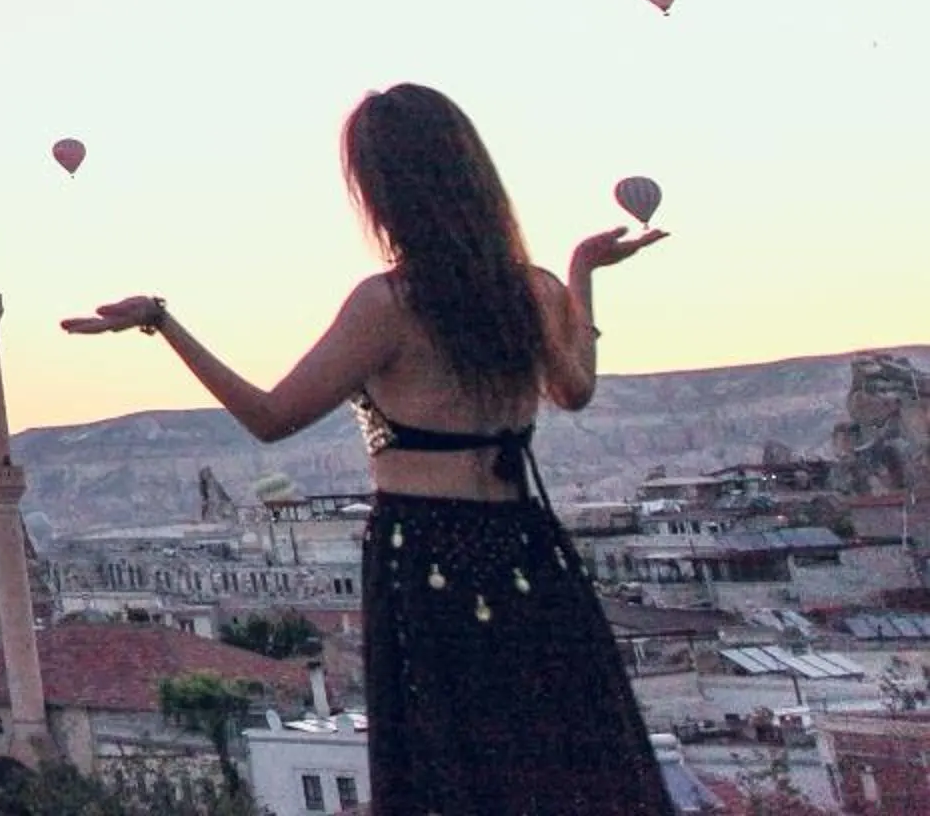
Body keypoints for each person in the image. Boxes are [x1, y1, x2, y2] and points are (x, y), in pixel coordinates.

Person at [63, 83, 672, 815]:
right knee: (557, 749)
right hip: (526, 550)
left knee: (450, 761)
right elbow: (574, 389)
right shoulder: (534, 290)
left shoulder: (387, 306)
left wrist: (164, 322)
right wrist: (579, 274)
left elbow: (270, 416)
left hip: (426, 552)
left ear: (383, 193)